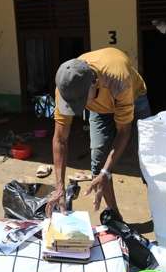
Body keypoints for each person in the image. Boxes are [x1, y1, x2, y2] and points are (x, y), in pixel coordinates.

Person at [45, 47, 150, 218]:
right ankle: (117, 219)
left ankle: (162, 210)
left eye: (80, 101)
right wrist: (59, 188)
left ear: (93, 82)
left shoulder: (118, 79)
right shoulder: (66, 87)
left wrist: (106, 171)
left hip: (134, 97)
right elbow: (60, 139)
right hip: (99, 107)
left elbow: (124, 131)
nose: (77, 106)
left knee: (148, 158)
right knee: (98, 163)